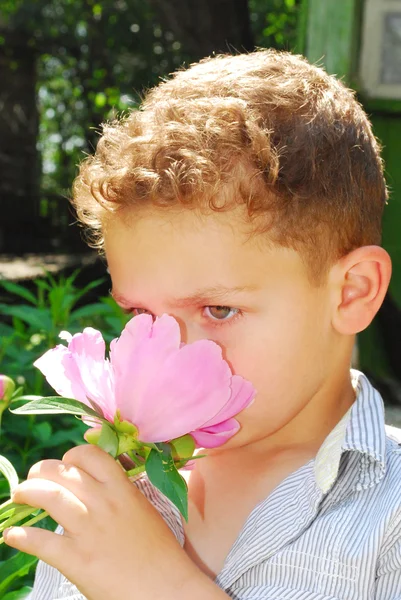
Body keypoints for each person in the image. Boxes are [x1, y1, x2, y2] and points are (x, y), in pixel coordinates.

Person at [5, 49, 401, 599]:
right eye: (141, 315)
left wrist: (161, 587)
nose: (170, 359)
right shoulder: (110, 495)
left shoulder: (391, 516)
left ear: (353, 292)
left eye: (218, 311)